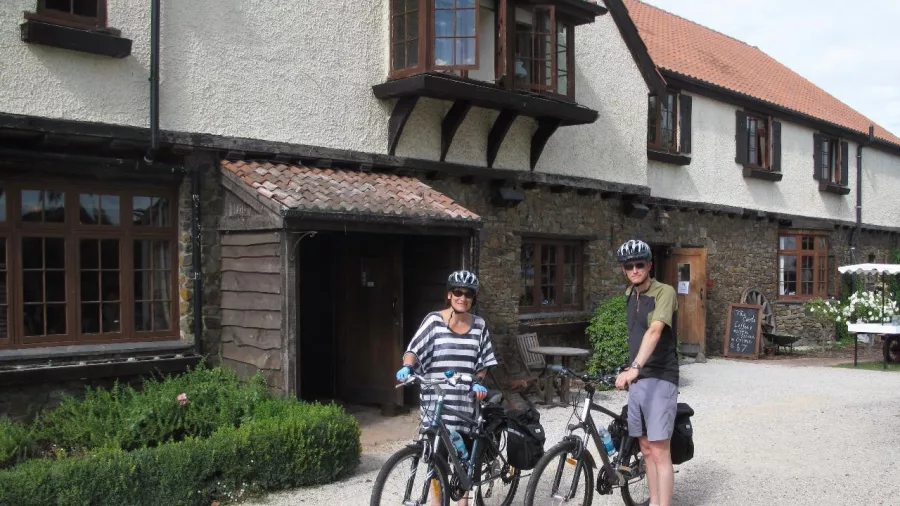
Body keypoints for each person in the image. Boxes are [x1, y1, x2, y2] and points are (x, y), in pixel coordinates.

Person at [396, 269, 498, 506]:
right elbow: (413, 349)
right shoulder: (434, 321)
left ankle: (463, 502)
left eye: (468, 294)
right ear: (449, 295)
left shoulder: (479, 325)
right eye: (458, 292)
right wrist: (407, 367)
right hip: (436, 402)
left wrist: (477, 381)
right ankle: (436, 502)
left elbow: (483, 363)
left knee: (465, 460)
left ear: (473, 298)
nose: (463, 298)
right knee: (436, 458)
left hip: (465, 402)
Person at [613, 239, 679, 506]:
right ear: (624, 270)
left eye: (640, 264)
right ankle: (654, 501)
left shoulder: (665, 292)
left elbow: (654, 330)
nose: (635, 270)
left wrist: (635, 367)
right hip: (638, 378)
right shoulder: (630, 294)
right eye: (629, 266)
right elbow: (635, 336)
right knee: (645, 447)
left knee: (660, 449)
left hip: (661, 376)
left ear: (650, 265)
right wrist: (628, 368)